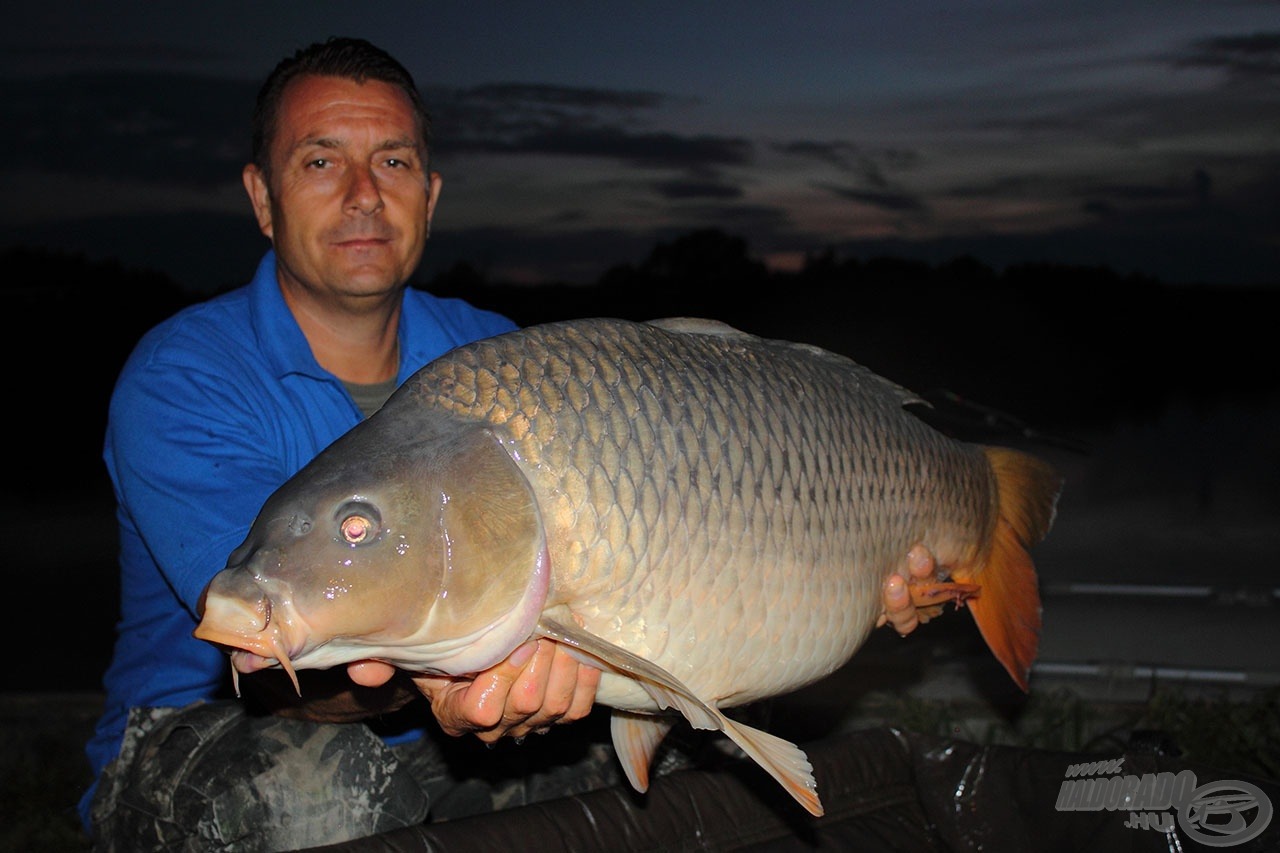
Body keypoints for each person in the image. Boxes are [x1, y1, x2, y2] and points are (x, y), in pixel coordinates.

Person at [80, 36, 929, 852]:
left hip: (452, 733)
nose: (364, 193)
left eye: (395, 162)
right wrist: (445, 681)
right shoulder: (182, 374)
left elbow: (669, 537)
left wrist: (852, 572)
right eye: (320, 160)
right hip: (206, 745)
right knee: (309, 792)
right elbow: (270, 663)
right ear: (263, 198)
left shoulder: (498, 357)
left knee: (705, 775)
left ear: (431, 195)